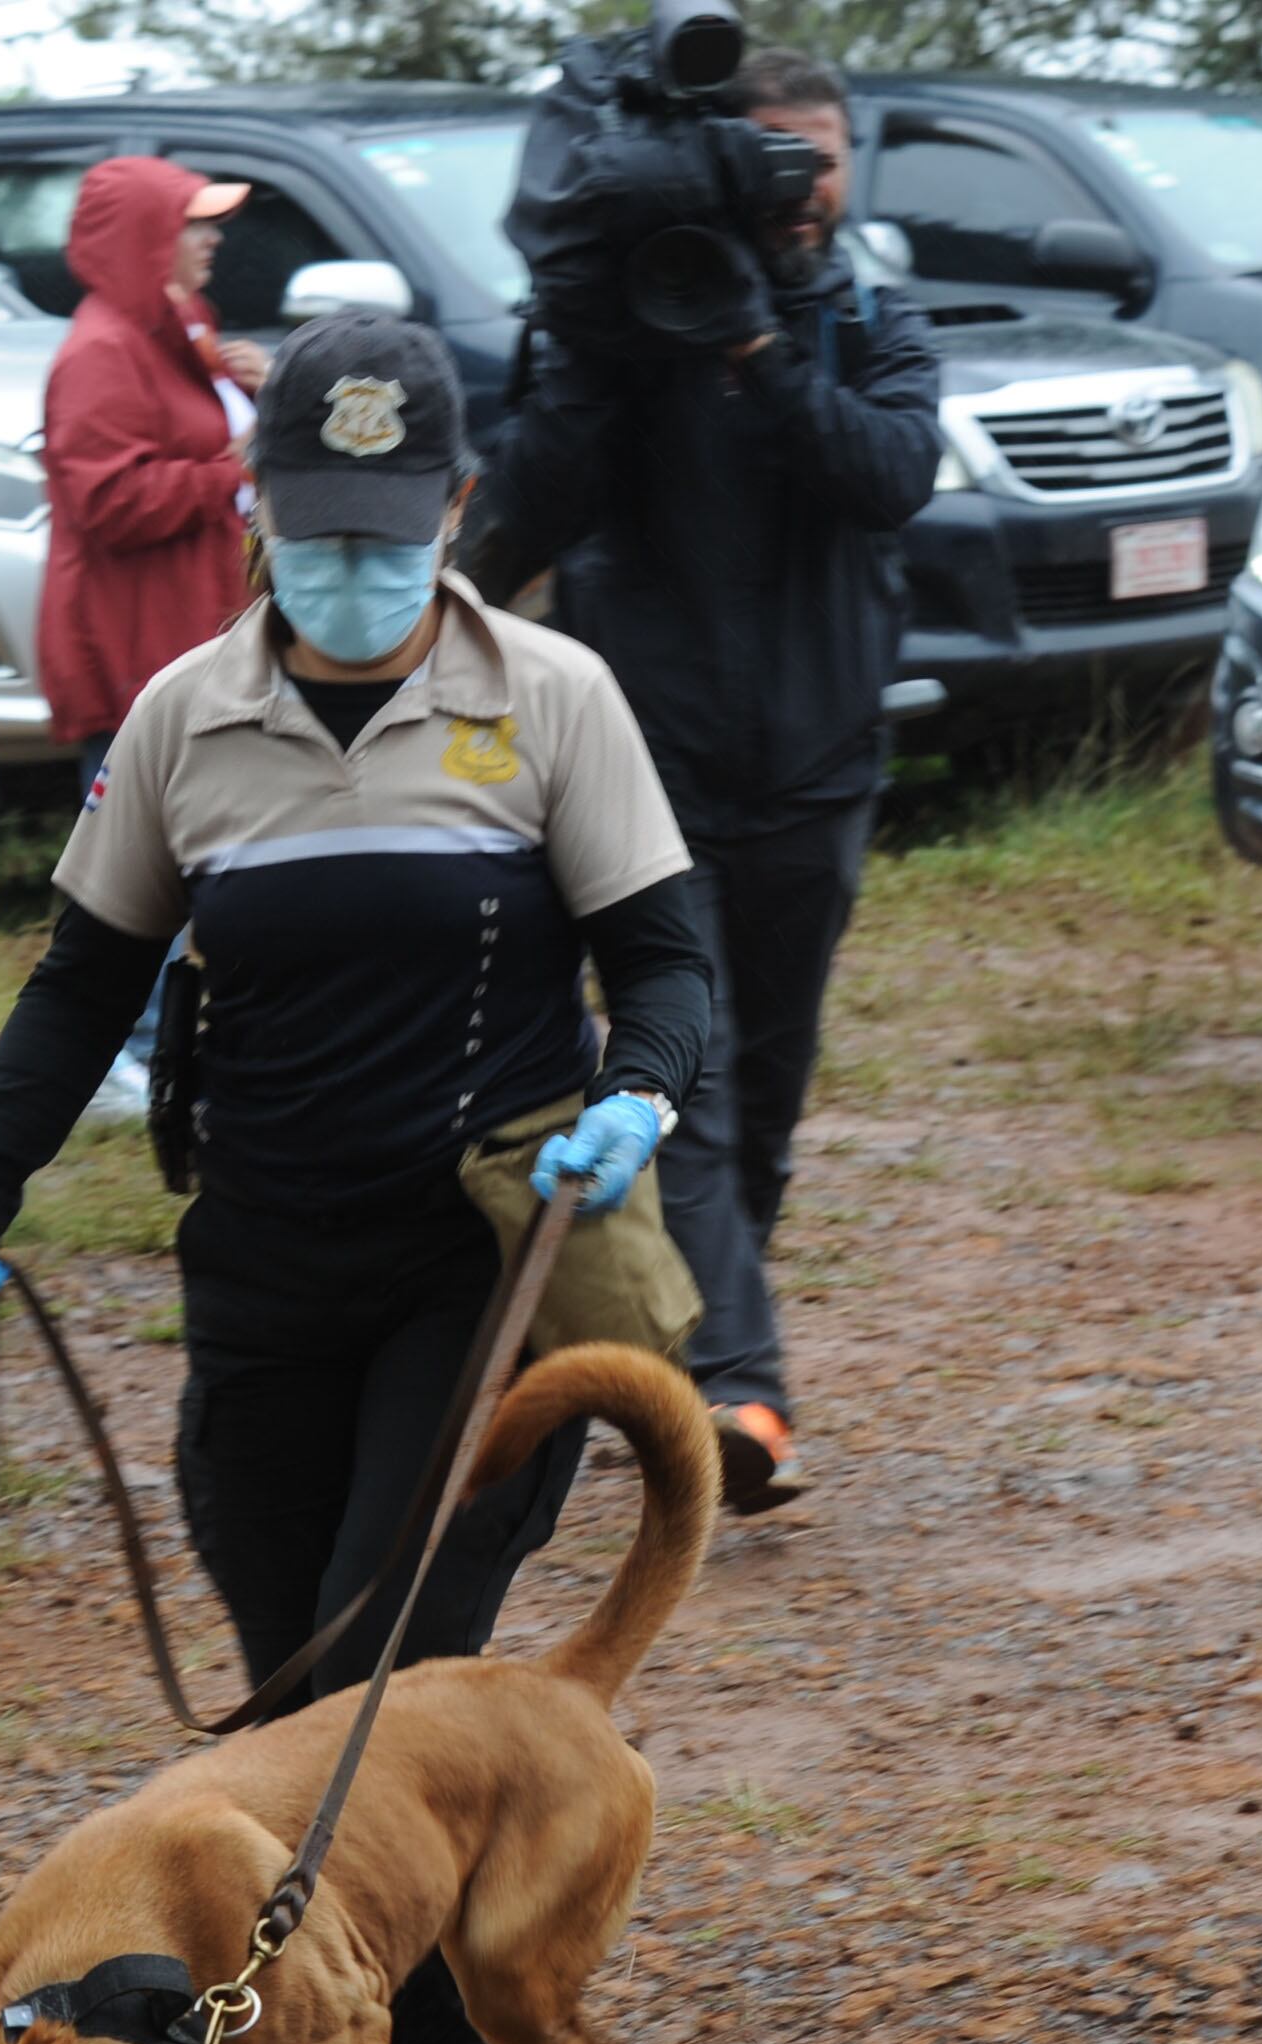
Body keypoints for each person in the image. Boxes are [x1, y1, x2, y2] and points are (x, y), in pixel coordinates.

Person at [0, 312, 711, 2044]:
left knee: (385, 1686)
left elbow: (669, 956)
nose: (345, 569)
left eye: (385, 528)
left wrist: (641, 1086)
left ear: (445, 509)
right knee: (281, 1711)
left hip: (471, 1267)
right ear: (260, 516)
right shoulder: (185, 717)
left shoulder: (552, 701)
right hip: (258, 1275)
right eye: (309, 531)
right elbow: (84, 982)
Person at [464, 46, 940, 1516]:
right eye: (771, 156)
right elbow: (528, 510)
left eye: (821, 156)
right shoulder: (634, 328)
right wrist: (612, 359)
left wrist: (760, 352)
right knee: (701, 1081)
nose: (801, 186)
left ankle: (720, 1337)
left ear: (852, 165)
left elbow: (892, 472)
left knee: (772, 1089)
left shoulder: (865, 315)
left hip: (816, 767)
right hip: (650, 769)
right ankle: (740, 1390)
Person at [37, 156, 266, 1125]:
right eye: (193, 223)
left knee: (201, 848)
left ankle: (169, 1044)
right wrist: (231, 465)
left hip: (192, 631)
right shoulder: (98, 352)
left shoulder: (179, 327)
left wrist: (249, 381)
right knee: (132, 865)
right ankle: (111, 1060)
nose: (212, 239)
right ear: (143, 238)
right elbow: (109, 499)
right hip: (133, 647)